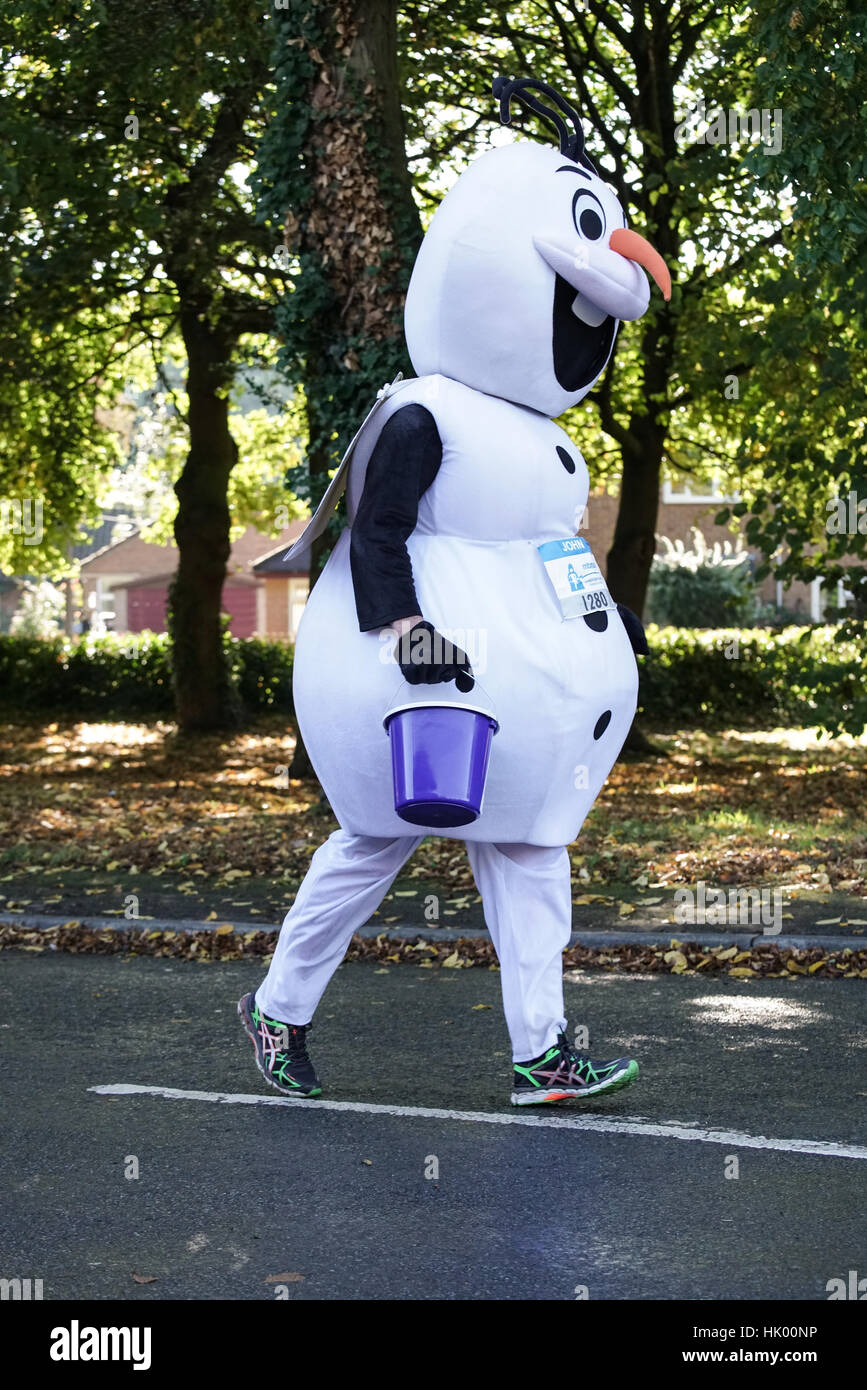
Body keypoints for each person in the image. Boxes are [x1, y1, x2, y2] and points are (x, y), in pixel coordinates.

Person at [239, 75, 670, 1106]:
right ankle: (276, 1009)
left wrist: (601, 637)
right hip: (421, 685)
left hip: (521, 698)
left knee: (529, 855)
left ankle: (543, 1050)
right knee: (373, 843)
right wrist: (410, 638)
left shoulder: (547, 445)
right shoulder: (422, 412)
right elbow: (376, 533)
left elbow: (558, 562)